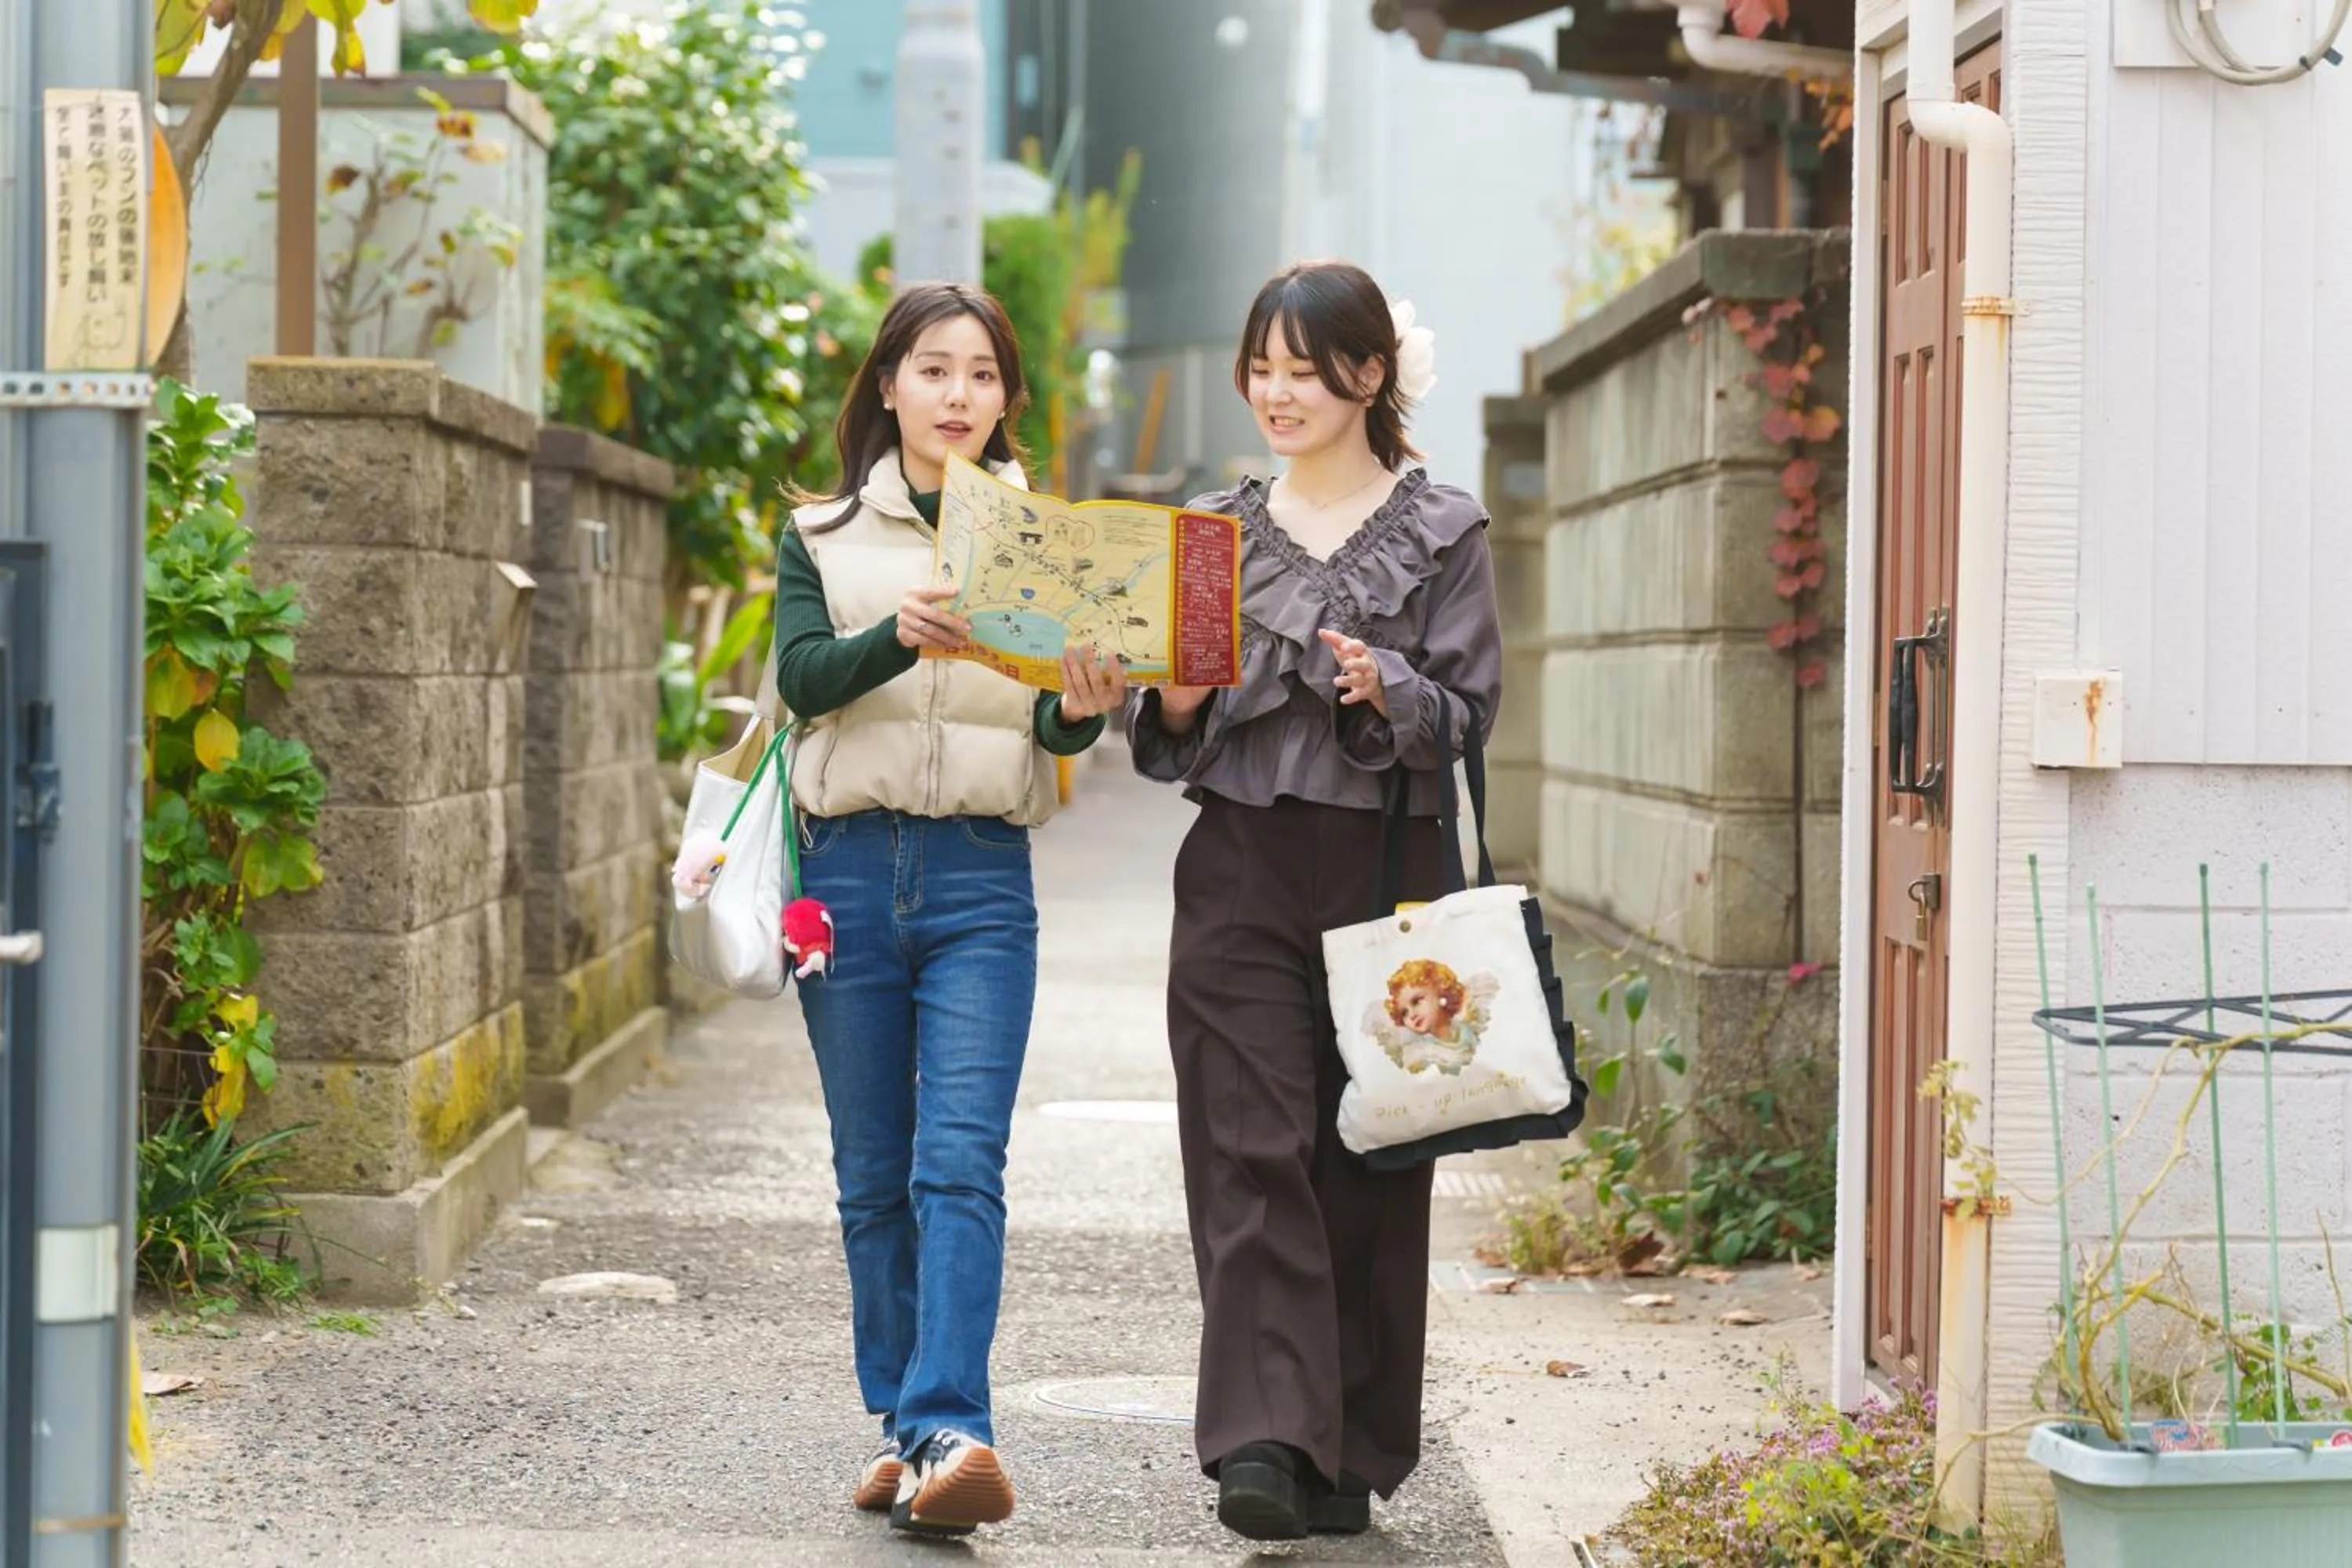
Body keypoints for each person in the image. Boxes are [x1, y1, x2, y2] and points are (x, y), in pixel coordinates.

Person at [1127, 260, 1504, 1541]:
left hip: (1395, 872)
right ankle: (1265, 1446)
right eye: (1263, 367)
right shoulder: (1207, 533)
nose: (1276, 393)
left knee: (1374, 1154)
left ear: (1370, 376)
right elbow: (1168, 727)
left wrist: (1382, 689)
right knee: (1250, 1143)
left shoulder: (1446, 530)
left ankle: (1347, 1445)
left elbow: (1466, 715)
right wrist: (1167, 694)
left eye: (1306, 369)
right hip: (1237, 866)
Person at [773, 281, 1128, 1539]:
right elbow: (803, 683)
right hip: (844, 878)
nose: (959, 396)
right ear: (888, 385)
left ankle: (955, 1425)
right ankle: (906, 1428)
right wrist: (896, 640)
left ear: (1004, 399)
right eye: (935, 370)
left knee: (958, 1163)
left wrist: (1084, 703)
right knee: (872, 1175)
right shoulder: (819, 534)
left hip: (985, 875)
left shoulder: (1043, 538)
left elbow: (1047, 718)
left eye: (982, 375)